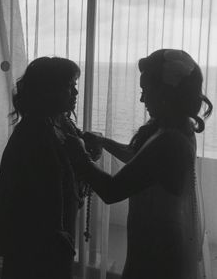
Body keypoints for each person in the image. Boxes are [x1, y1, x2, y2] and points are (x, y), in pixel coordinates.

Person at [65, 49, 213, 279]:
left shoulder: (169, 140)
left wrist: (79, 154)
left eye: (145, 90)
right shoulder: (173, 127)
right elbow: (137, 157)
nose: (142, 99)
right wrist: (103, 142)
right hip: (158, 233)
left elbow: (112, 191)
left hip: (159, 243)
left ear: (165, 92)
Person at [0, 57, 101, 279]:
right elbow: (34, 197)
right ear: (49, 90)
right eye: (70, 86)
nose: (76, 93)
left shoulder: (61, 123)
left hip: (57, 234)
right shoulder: (34, 133)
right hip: (36, 240)